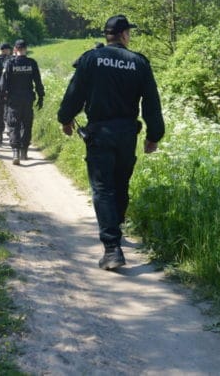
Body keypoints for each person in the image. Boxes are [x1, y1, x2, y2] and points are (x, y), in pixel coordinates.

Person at [57, 14, 165, 270]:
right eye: (129, 33)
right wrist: (154, 135)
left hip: (100, 133)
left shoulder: (91, 59)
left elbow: (74, 93)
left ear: (107, 35)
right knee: (120, 184)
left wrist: (65, 119)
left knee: (103, 188)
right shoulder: (139, 62)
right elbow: (151, 103)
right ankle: (115, 231)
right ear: (124, 34)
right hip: (127, 134)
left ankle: (112, 248)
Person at [0, 39, 44, 165]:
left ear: (15, 49)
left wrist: (1, 98)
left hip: (14, 100)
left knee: (14, 125)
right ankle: (24, 151)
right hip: (28, 99)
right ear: (26, 49)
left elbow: (2, 83)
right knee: (27, 125)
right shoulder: (32, 63)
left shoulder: (10, 63)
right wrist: (41, 96)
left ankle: (15, 152)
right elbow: (38, 82)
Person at [0, 42, 13, 146]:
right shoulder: (11, 60)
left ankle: (0, 136)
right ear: (5, 50)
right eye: (9, 49)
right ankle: (9, 131)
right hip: (9, 91)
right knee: (9, 111)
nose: (10, 51)